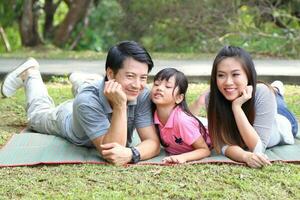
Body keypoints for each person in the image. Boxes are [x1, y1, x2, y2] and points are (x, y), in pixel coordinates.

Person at [1, 40, 160, 165]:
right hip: (68, 117)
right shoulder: (86, 101)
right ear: (110, 74)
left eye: (143, 77)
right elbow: (112, 151)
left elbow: (152, 142)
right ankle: (30, 74)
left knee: (90, 89)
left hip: (95, 95)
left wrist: (132, 154)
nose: (138, 84)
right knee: (36, 116)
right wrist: (120, 105)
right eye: (131, 76)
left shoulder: (142, 93)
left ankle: (84, 80)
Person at [190, 46, 298, 168]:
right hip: (255, 101)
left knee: (277, 100)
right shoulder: (212, 98)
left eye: (235, 74)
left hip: (282, 122)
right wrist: (244, 156)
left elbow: (257, 148)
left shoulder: (263, 92)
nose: (228, 82)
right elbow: (221, 144)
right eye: (221, 75)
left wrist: (236, 107)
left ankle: (276, 90)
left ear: (248, 75)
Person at [151, 68, 211, 164]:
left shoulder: (182, 121)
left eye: (168, 86)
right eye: (156, 84)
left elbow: (204, 150)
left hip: (211, 136)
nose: (159, 88)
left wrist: (183, 157)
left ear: (179, 98)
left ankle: (204, 97)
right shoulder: (152, 114)